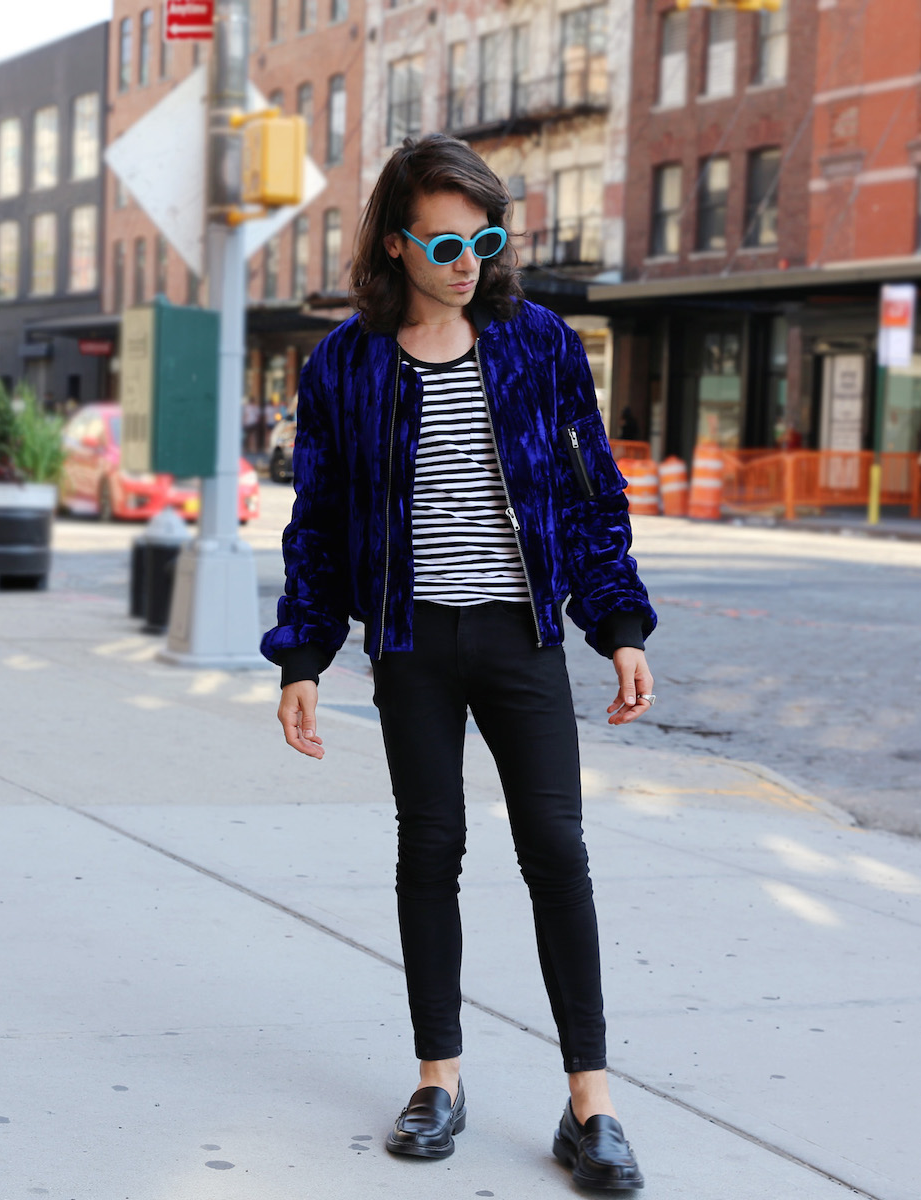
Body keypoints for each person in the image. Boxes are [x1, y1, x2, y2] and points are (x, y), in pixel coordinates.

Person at [263, 134, 654, 1190]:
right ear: (396, 245)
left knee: (556, 855)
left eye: (487, 237)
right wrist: (304, 651)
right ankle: (440, 1077)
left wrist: (617, 625)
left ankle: (591, 1103)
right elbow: (322, 522)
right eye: (446, 240)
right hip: (413, 645)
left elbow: (590, 495)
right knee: (429, 852)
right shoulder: (346, 365)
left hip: (520, 638)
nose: (470, 258)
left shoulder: (538, 345)